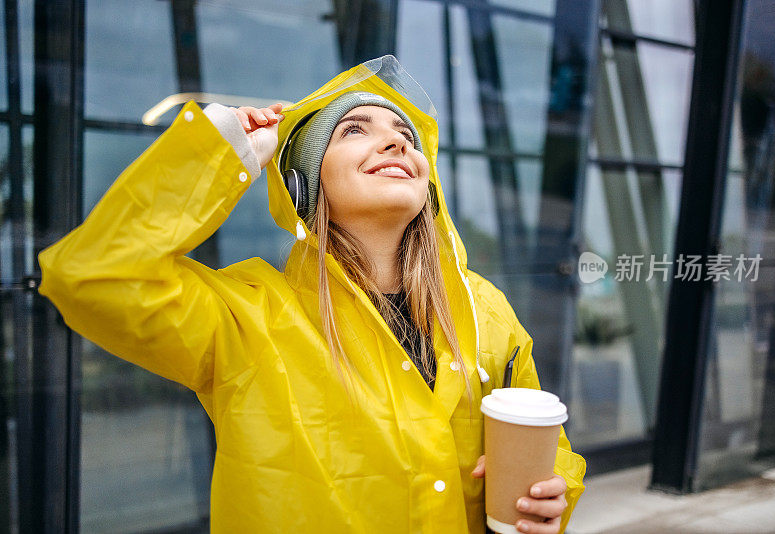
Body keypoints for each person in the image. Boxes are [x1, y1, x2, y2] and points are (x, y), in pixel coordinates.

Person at [38, 56, 585, 533]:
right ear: (304, 183)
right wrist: (229, 151)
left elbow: (542, 441)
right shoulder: (248, 318)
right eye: (354, 131)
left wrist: (553, 490)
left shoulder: (483, 309)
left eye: (405, 134)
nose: (395, 139)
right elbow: (94, 274)